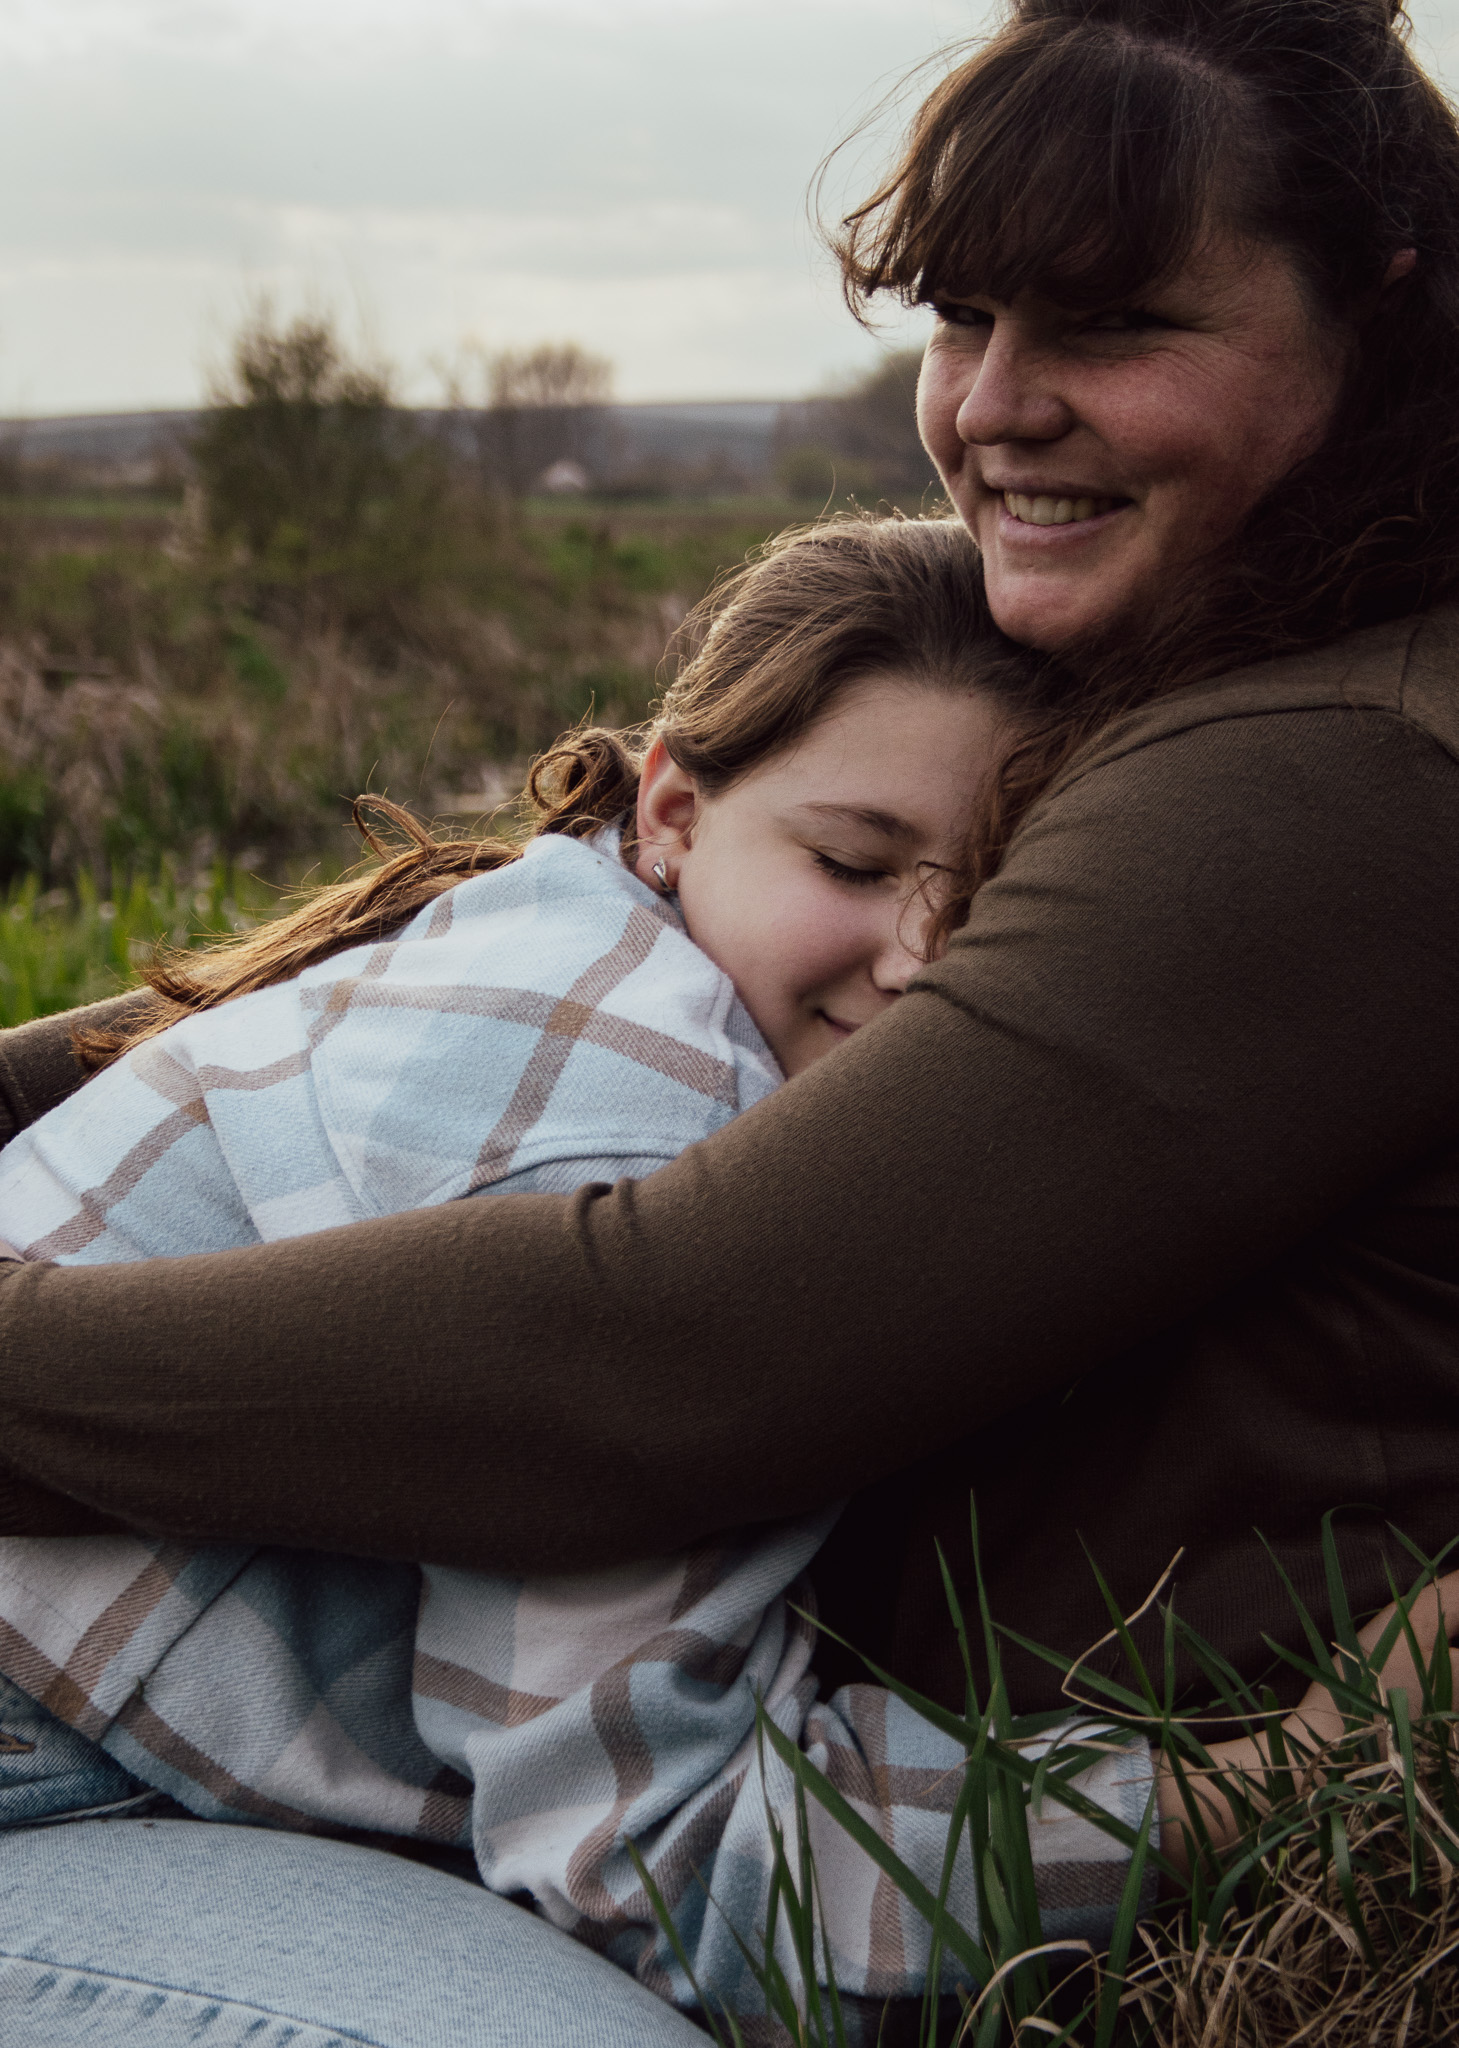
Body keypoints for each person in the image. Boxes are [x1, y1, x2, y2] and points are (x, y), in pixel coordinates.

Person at [2, 0, 1459, 2036]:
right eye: (959, 316)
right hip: (212, 1755)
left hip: (424, 1768)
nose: (994, 408)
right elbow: (560, 1072)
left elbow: (669, 1343)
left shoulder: (1337, 757)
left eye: (1116, 327)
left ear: (1376, 307)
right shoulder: (1188, 659)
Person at [0, 519, 1155, 2024]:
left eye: (1003, 904)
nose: (920, 959)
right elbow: (669, 1871)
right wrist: (1220, 1789)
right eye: (854, 862)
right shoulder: (622, 1104)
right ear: (672, 806)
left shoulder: (571, 925)